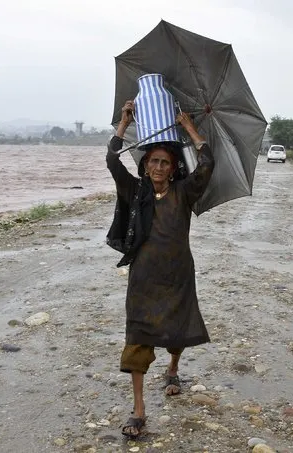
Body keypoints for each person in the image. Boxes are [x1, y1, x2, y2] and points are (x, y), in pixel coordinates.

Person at [106, 100, 215, 438]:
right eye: (152, 160)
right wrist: (124, 125)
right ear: (145, 164)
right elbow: (112, 160)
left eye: (164, 162)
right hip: (143, 278)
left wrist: (190, 129)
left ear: (172, 168)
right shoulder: (134, 190)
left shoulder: (184, 192)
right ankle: (139, 410)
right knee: (138, 337)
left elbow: (207, 164)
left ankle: (173, 368)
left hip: (178, 274)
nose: (157, 166)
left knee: (176, 329)